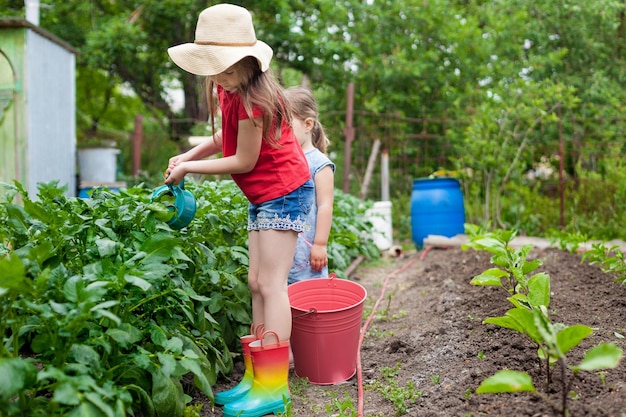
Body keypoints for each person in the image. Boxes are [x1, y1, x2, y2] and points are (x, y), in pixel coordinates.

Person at [165, 4, 313, 417]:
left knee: (272, 284)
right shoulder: (227, 90)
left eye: (228, 69)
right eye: (214, 69)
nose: (219, 77)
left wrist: (191, 168)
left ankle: (274, 385)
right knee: (254, 282)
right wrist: (186, 154)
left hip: (285, 191)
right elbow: (220, 138)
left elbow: (243, 160)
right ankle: (254, 377)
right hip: (263, 195)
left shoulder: (256, 101)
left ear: (250, 64)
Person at [286, 86, 335, 285]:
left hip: (306, 247)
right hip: (284, 243)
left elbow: (325, 206)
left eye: (286, 127)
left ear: (307, 124)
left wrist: (320, 244)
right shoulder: (283, 159)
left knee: (308, 290)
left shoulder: (318, 163)